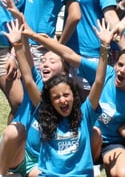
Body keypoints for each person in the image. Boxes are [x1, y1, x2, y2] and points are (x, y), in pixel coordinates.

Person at [27, 21, 125, 177]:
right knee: (95, 132)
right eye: (120, 64)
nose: (122, 70)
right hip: (84, 135)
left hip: (110, 144)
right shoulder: (108, 73)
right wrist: (34, 36)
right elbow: (69, 55)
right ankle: (88, 165)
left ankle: (94, 165)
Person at [9, 18, 112, 177]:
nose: (62, 100)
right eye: (56, 97)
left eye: (66, 95)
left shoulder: (85, 114)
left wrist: (104, 46)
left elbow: (99, 81)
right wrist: (17, 45)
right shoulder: (44, 112)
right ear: (50, 101)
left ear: (74, 96)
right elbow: (28, 79)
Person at [0, 20, 72, 176]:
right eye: (43, 61)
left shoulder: (65, 99)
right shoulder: (37, 81)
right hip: (17, 150)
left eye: (52, 61)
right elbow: (28, 62)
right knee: (14, 130)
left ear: (64, 71)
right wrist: (21, 28)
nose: (45, 64)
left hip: (39, 160)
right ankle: (0, 174)